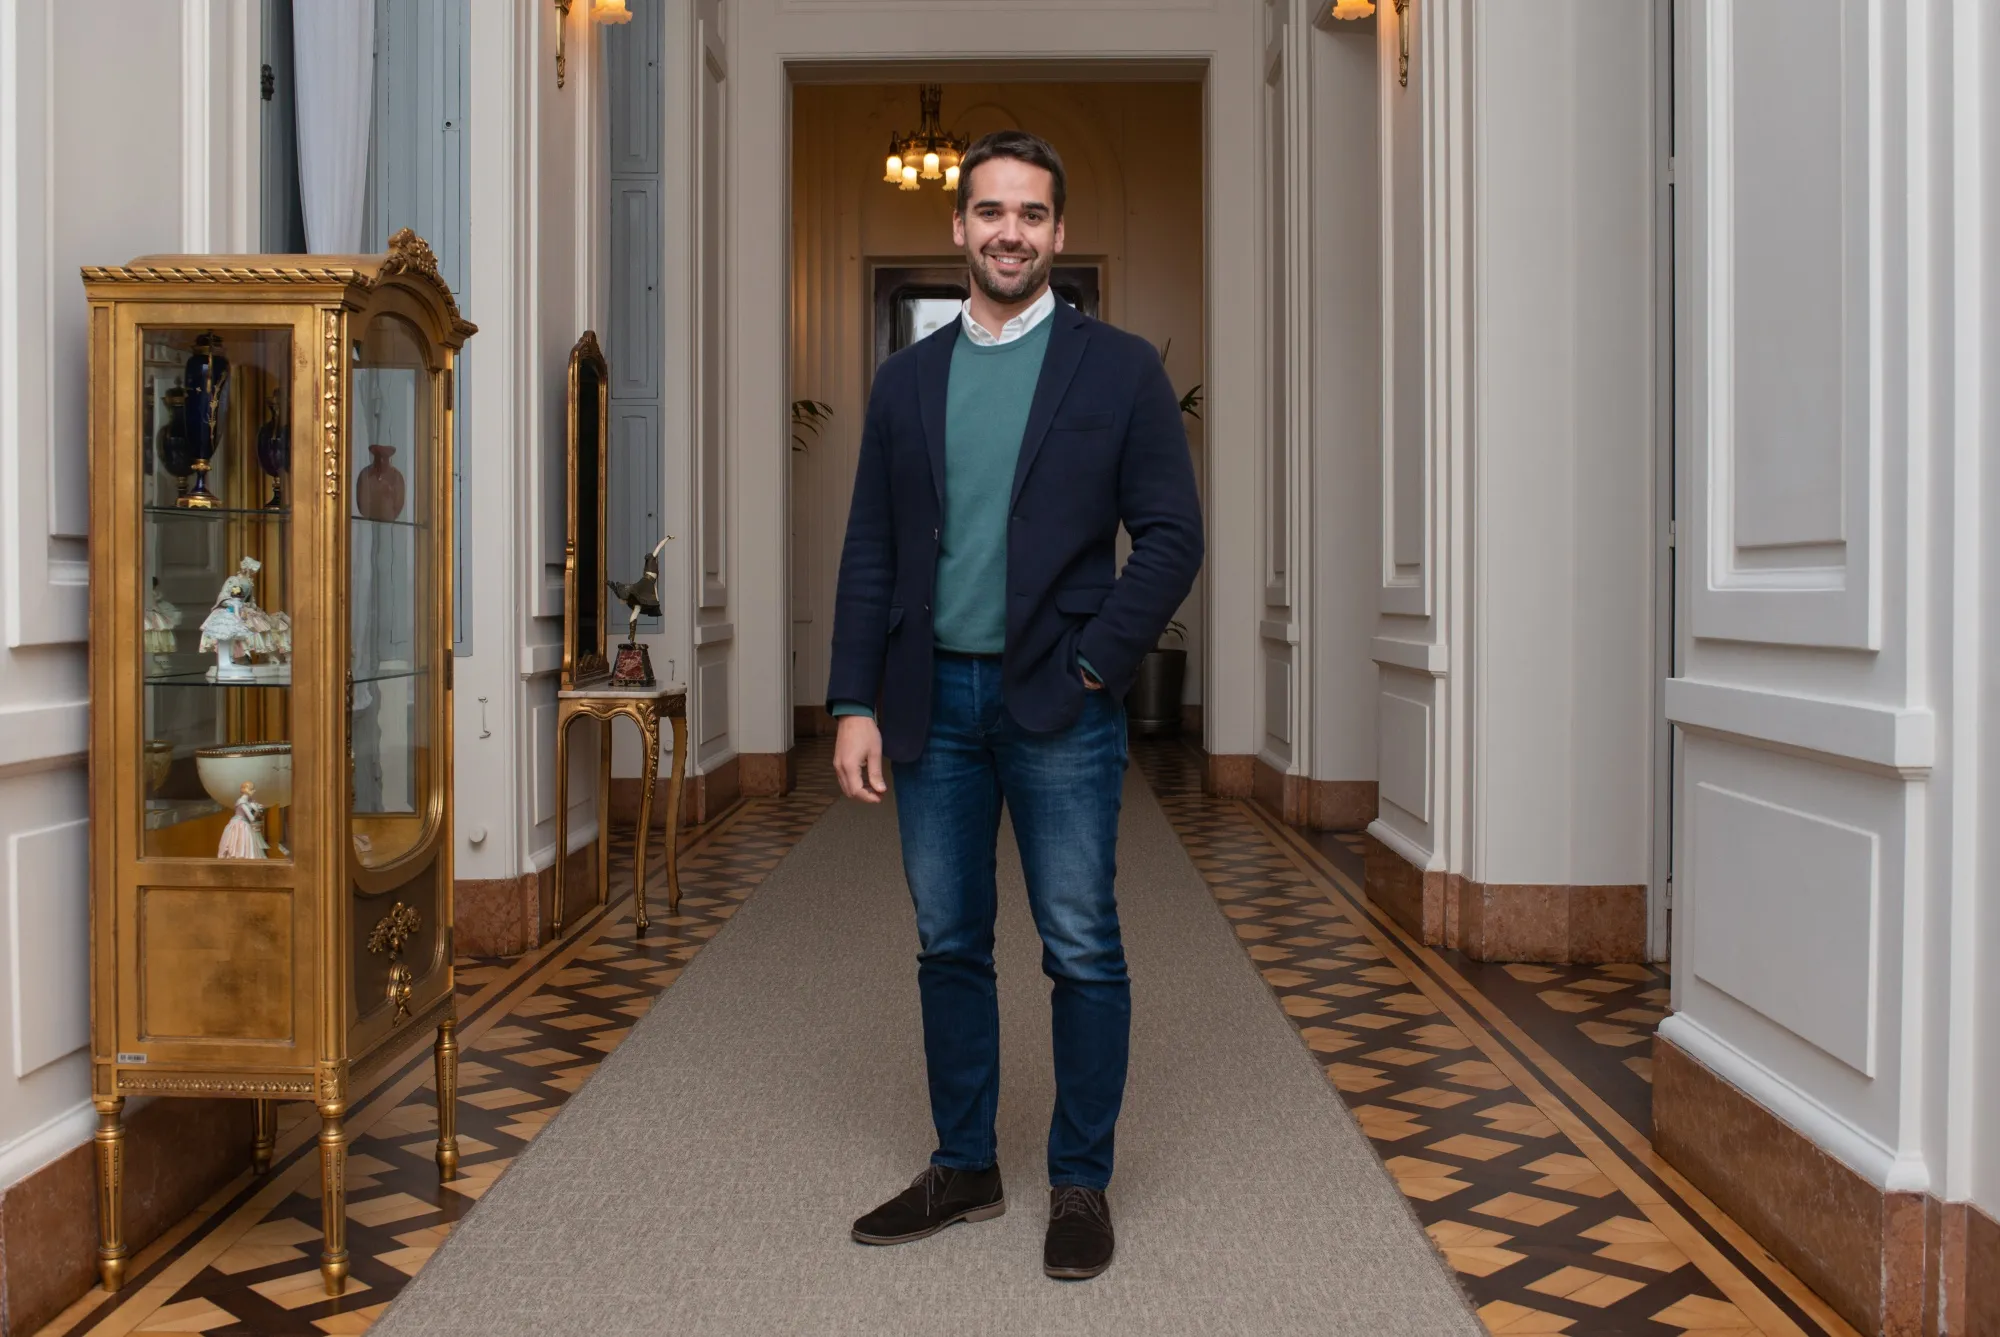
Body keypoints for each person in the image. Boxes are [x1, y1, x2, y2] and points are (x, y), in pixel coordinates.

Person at [826, 129, 1203, 1281]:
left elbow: (1172, 537)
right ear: (957, 228)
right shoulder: (907, 379)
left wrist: (1096, 664)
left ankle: (1079, 1180)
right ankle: (965, 1161)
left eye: (1030, 215)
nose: (1008, 232)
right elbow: (871, 550)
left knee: (1081, 946)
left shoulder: (1120, 369)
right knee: (948, 941)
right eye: (988, 211)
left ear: (1055, 231)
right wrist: (850, 700)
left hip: (1061, 700)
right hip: (924, 698)